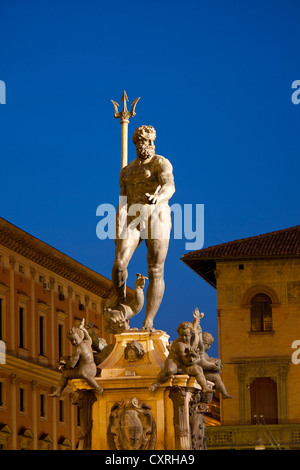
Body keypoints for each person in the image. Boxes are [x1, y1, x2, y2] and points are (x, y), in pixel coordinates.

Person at [109, 125, 175, 331]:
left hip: (157, 216)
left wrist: (159, 196)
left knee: (155, 269)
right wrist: (117, 224)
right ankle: (121, 301)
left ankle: (149, 320)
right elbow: (122, 201)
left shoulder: (160, 163)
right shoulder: (126, 171)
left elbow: (170, 185)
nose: (152, 145)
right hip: (134, 218)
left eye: (153, 141)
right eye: (147, 141)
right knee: (119, 264)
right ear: (137, 143)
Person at [149, 318, 212, 393]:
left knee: (198, 369)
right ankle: (156, 383)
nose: (184, 338)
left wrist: (196, 324)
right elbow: (186, 362)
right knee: (170, 370)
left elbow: (198, 339)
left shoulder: (192, 340)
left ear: (191, 334)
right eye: (182, 335)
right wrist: (198, 359)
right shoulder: (180, 345)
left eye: (186, 335)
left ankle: (204, 386)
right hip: (175, 362)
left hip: (184, 365)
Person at [49, 319, 103, 397]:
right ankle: (97, 387)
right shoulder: (87, 343)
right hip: (93, 368)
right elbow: (88, 337)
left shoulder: (77, 349)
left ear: (80, 336)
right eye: (71, 341)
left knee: (65, 374)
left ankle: (58, 391)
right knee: (84, 373)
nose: (73, 342)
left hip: (85, 371)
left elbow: (71, 365)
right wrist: (83, 329)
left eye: (75, 339)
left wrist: (65, 365)